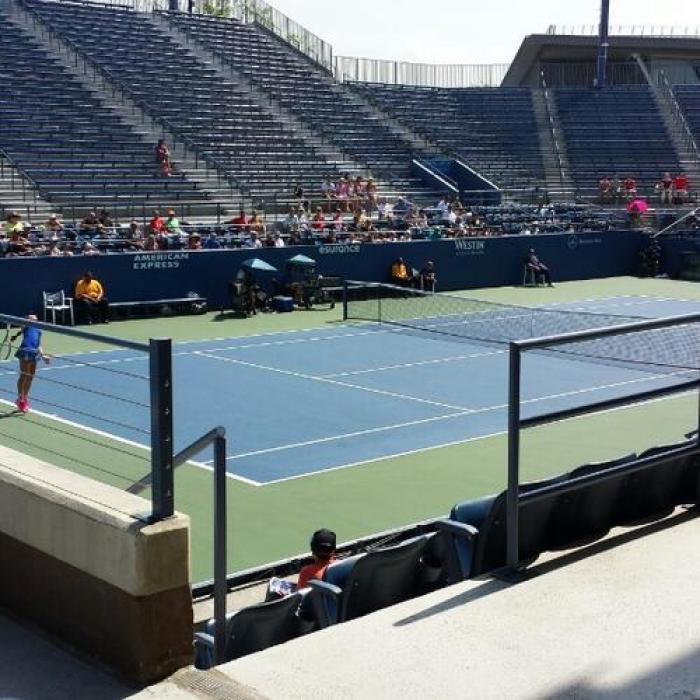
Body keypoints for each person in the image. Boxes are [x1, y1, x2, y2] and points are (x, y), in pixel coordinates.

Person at [11, 314, 51, 414]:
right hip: (25, 351)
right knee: (24, 375)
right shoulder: (26, 326)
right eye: (31, 317)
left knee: (30, 377)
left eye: (35, 318)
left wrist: (43, 356)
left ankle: (24, 398)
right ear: (27, 319)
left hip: (34, 353)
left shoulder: (39, 330)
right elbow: (22, 325)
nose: (34, 318)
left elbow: (39, 344)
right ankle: (20, 398)